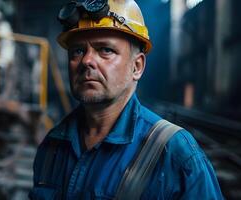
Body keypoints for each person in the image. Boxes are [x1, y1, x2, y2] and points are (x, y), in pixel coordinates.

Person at [29, 0, 223, 199]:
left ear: (137, 67)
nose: (87, 61)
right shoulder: (52, 146)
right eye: (78, 51)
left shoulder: (175, 153)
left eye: (105, 50)